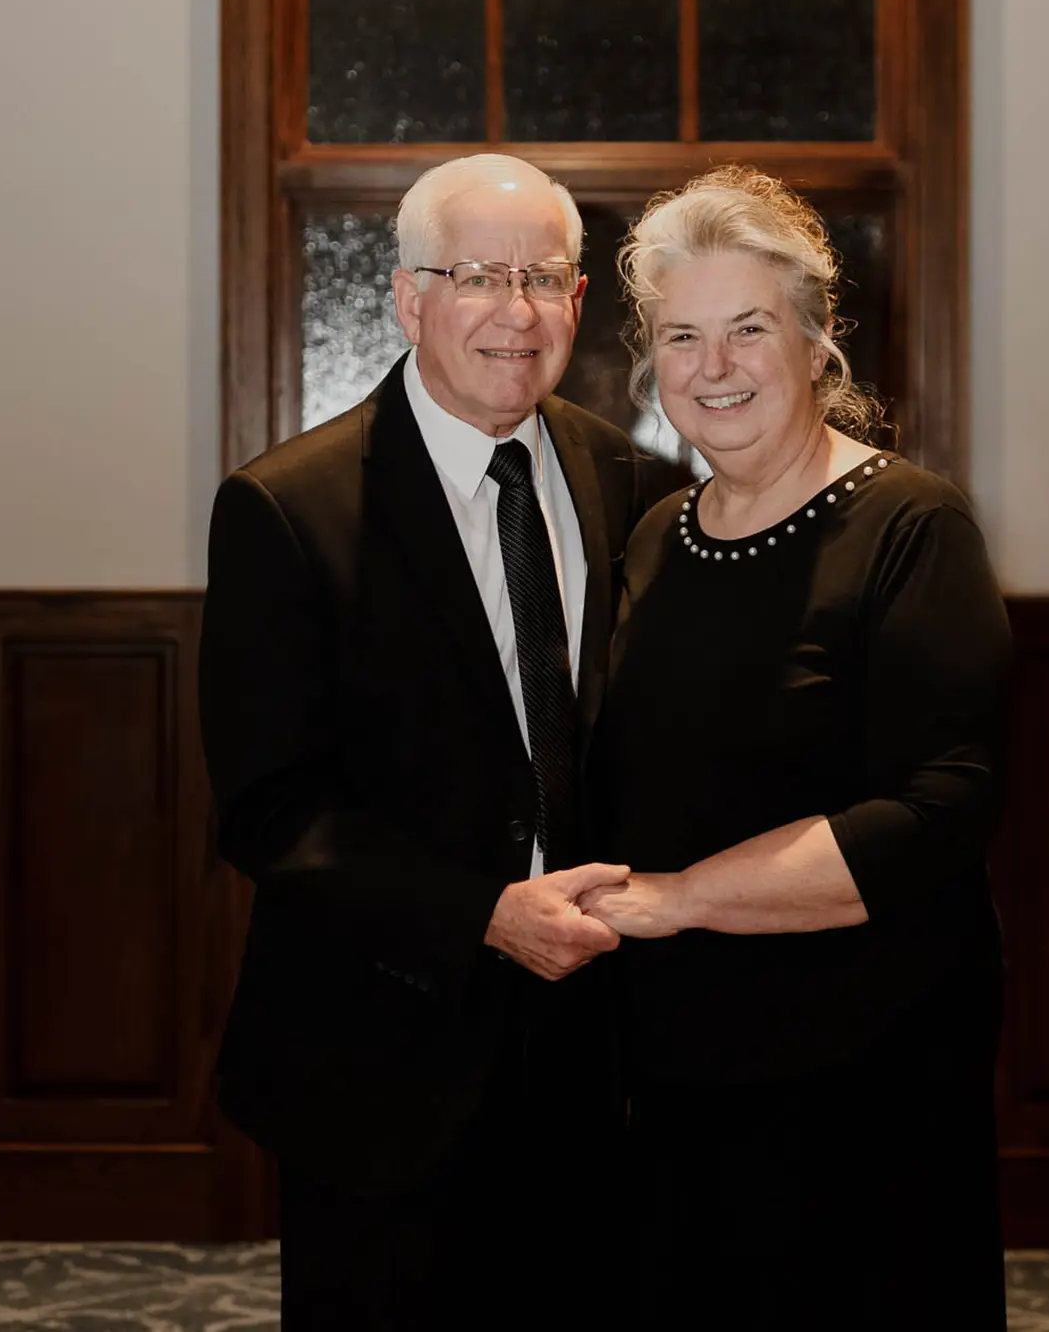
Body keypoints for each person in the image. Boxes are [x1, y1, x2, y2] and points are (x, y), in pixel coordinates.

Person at [198, 154, 648, 1329]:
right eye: (478, 275)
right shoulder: (287, 508)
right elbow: (268, 807)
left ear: (580, 302)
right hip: (381, 1054)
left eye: (544, 277)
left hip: (595, 1049)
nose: (516, 309)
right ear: (406, 298)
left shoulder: (632, 480)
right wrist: (483, 914)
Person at [583, 166, 1013, 1327]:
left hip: (866, 1060)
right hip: (676, 1056)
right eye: (683, 335)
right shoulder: (654, 535)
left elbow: (941, 808)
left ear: (818, 345)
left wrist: (680, 897)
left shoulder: (912, 525)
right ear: (651, 361)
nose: (713, 366)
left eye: (747, 330)